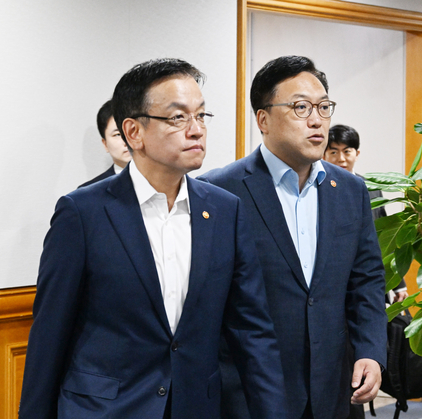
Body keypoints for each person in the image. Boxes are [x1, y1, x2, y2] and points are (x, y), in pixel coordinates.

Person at [18, 58, 287, 419]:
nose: (196, 130)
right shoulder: (82, 213)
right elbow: (49, 336)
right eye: (178, 117)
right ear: (133, 132)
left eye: (201, 116)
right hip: (105, 409)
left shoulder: (225, 211)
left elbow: (252, 331)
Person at [199, 56, 387, 419]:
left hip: (335, 389)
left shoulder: (351, 189)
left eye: (323, 107)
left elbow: (366, 280)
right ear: (263, 119)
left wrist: (370, 351)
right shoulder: (219, 192)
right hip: (249, 393)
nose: (316, 120)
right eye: (300, 107)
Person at [324, 124, 408, 302]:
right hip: (330, 285)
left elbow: (384, 238)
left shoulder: (372, 190)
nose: (341, 159)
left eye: (347, 151)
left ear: (357, 153)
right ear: (323, 155)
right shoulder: (315, 189)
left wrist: (398, 283)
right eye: (333, 152)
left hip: (368, 281)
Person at [79, 99, 132, 188]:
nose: (126, 141)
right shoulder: (87, 193)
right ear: (105, 144)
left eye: (132, 131)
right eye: (117, 134)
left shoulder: (162, 181)